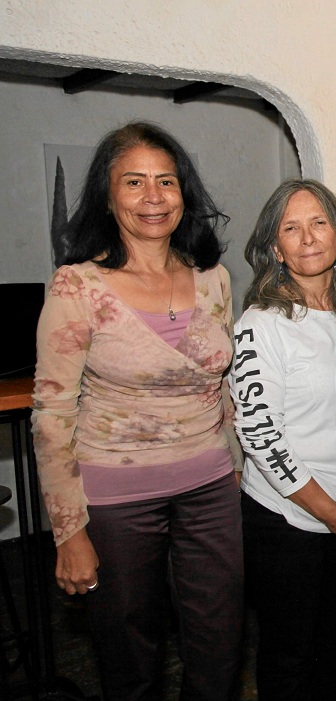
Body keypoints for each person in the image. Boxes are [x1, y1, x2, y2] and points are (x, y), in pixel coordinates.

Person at [31, 121, 242, 700]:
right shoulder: (78, 286)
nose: (153, 197)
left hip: (210, 487)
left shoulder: (214, 279)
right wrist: (69, 531)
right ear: (108, 195)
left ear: (184, 193)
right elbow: (51, 413)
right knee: (130, 656)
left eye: (166, 181)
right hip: (115, 500)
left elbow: (221, 388)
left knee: (219, 646)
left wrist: (238, 471)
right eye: (134, 182)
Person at [232, 179, 336, 700]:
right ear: (275, 247)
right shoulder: (261, 324)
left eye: (319, 223)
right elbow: (257, 429)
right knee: (289, 658)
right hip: (286, 517)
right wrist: (326, 509)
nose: (308, 237)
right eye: (291, 228)